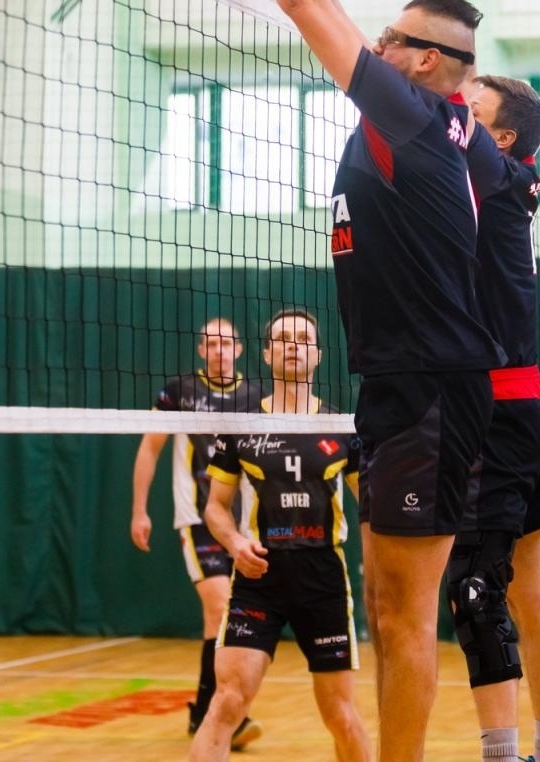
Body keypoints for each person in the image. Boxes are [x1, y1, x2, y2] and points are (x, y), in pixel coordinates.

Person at [166, 0, 503, 762]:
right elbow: (459, 51)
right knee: (400, 609)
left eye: (394, 40)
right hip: (413, 388)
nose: (377, 48)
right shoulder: (450, 116)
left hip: (424, 392)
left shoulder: (413, 116)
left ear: (422, 65)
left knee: (403, 615)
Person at [388, 0, 540, 762]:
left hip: (495, 409)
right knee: (530, 587)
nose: (459, 96)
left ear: (492, 130)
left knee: (472, 589)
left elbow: (450, 71)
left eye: (475, 98)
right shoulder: (512, 169)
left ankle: (507, 756)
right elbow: (456, 62)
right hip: (532, 405)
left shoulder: (490, 166)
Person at [191, 309, 369, 762]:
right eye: (283, 339)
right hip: (259, 577)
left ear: (318, 356)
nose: (294, 345)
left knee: (340, 715)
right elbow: (215, 508)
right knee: (228, 701)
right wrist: (234, 544)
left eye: (303, 339)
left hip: (324, 578)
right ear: (268, 354)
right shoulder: (242, 427)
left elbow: (371, 507)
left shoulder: (341, 427)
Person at [129, 317, 265, 749]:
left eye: (227, 344)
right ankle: (222, 714)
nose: (220, 350)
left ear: (239, 350)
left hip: (244, 523)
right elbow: (150, 447)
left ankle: (207, 712)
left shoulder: (256, 396)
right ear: (201, 350)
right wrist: (139, 510)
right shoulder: (180, 391)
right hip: (197, 519)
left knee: (233, 617)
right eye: (211, 344)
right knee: (219, 604)